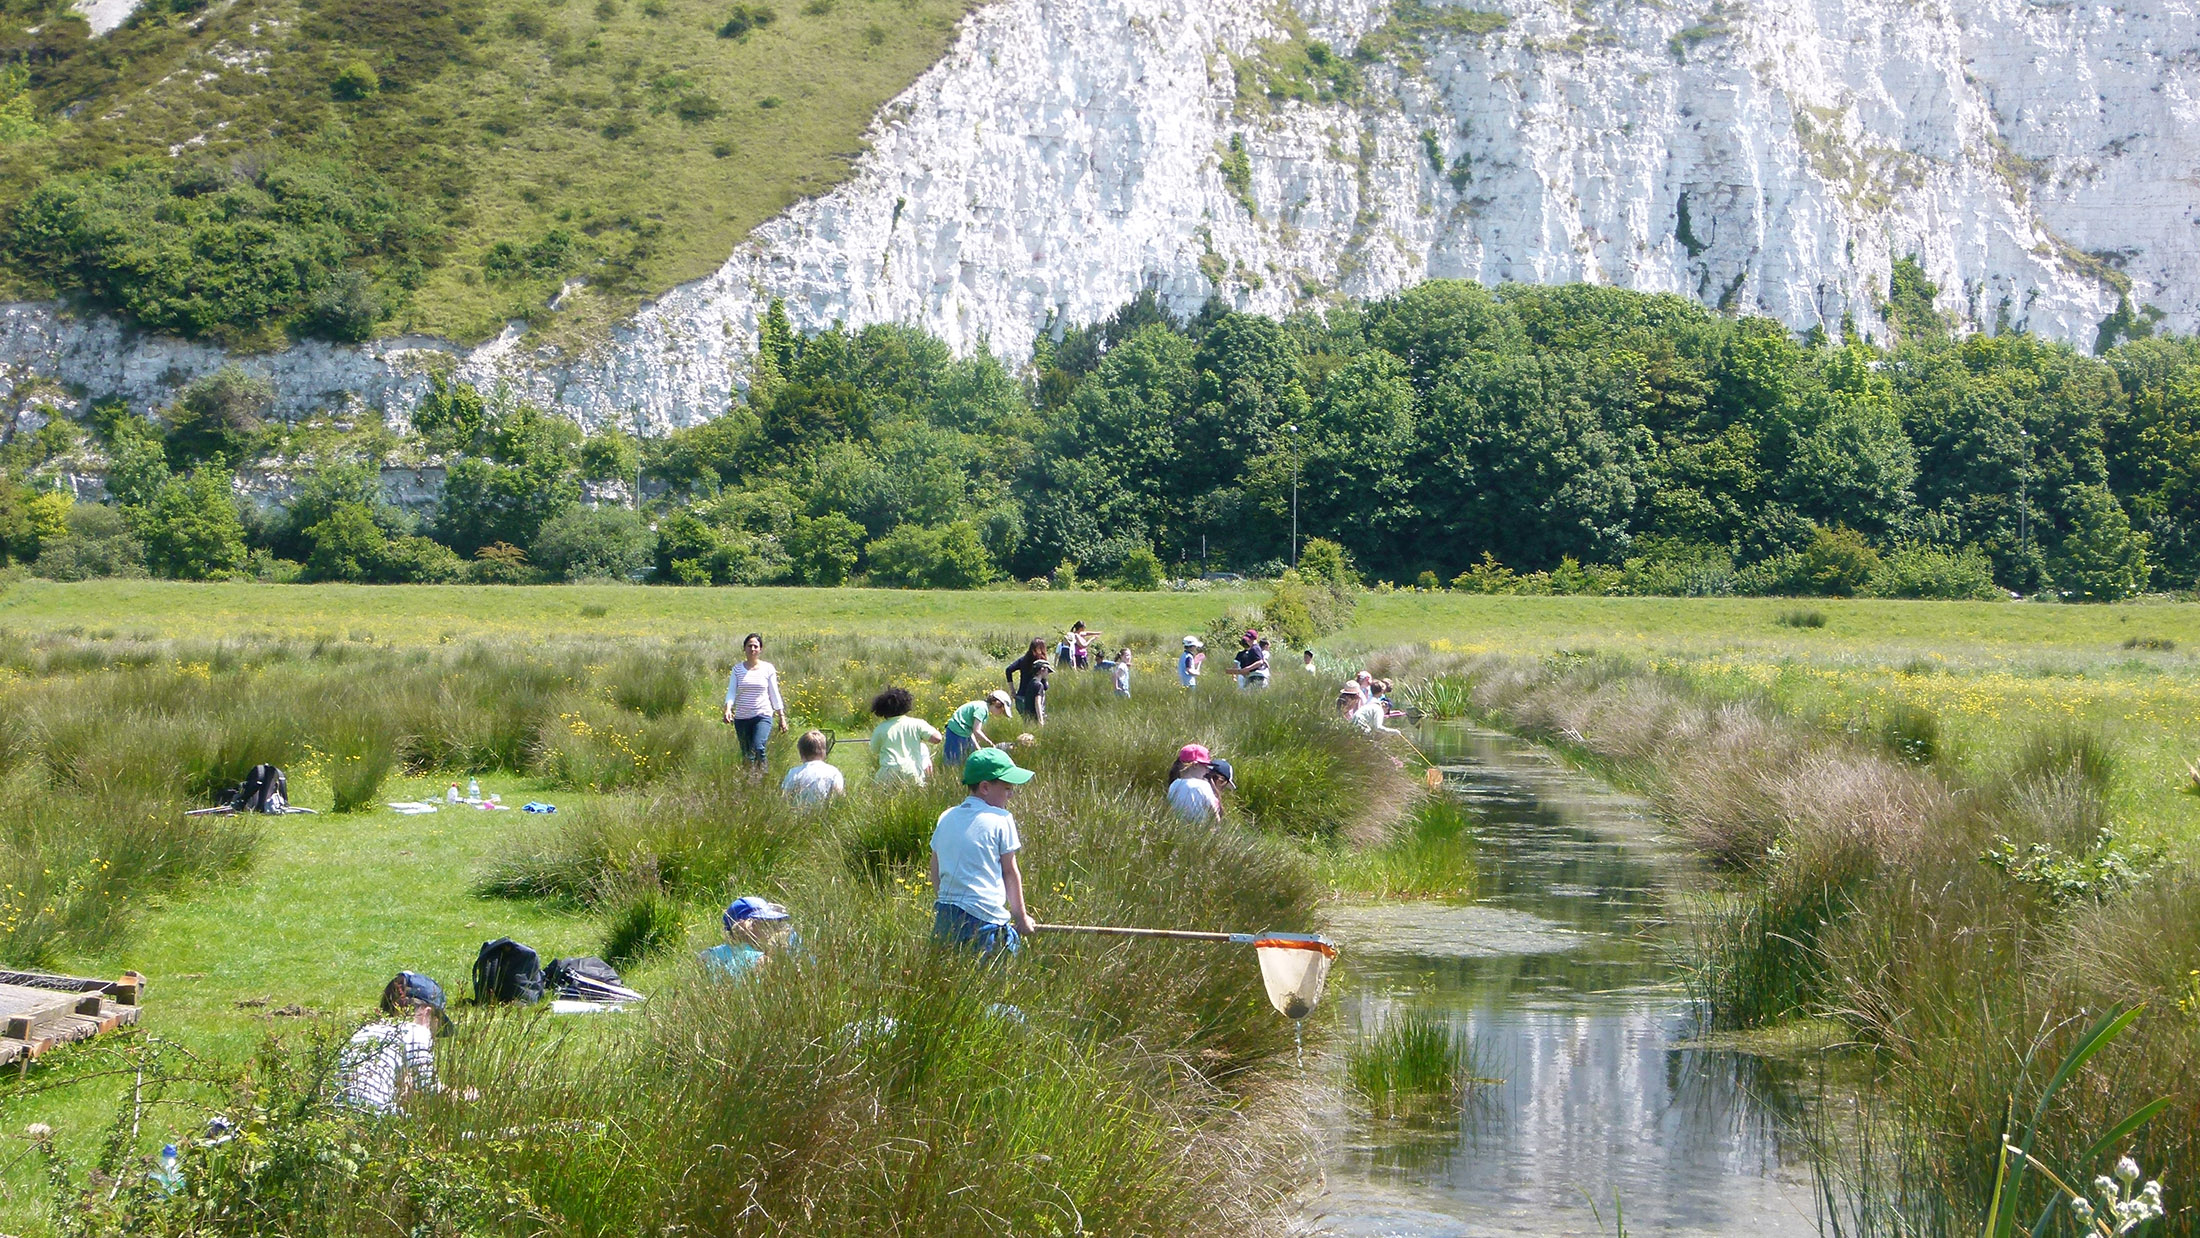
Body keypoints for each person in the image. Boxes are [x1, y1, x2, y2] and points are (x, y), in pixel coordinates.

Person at [930, 747, 1037, 954]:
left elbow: (935, 865)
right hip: (984, 922)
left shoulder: (946, 816)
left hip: (945, 915)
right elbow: (1009, 872)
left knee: (948, 976)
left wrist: (947, 902)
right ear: (985, 787)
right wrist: (1021, 918)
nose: (1011, 795)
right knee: (992, 978)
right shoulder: (1002, 819)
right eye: (1007, 788)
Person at [337, 972, 451, 1115]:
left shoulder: (364, 1031)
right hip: (373, 1119)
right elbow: (430, 1091)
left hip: (337, 1120)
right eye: (436, 1028)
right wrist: (466, 1095)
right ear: (427, 1014)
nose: (433, 1038)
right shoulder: (415, 1031)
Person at [722, 633, 787, 774]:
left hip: (762, 715)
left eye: (755, 646)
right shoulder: (737, 670)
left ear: (760, 649)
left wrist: (781, 716)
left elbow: (774, 693)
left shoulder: (768, 668)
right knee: (747, 754)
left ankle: (763, 776)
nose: (752, 649)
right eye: (749, 646)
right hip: (742, 717)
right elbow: (731, 692)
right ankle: (749, 782)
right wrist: (728, 709)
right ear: (744, 649)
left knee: (758, 746)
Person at [703, 896, 792, 979]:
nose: (771, 928)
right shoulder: (764, 961)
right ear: (747, 926)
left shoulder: (707, 955)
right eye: (765, 923)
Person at [870, 686, 943, 785]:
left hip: (888, 772)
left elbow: (874, 749)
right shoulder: (917, 724)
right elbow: (937, 738)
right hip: (912, 771)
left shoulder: (880, 729)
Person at [945, 691, 1013, 765]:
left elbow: (971, 730)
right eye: (1002, 711)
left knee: (971, 754)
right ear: (996, 703)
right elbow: (976, 731)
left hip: (962, 731)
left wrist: (977, 747)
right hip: (956, 732)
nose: (1001, 713)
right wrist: (989, 743)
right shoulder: (982, 709)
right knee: (953, 760)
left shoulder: (982, 706)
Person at [780, 730, 847, 804]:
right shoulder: (834, 772)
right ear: (824, 752)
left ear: (801, 752)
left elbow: (785, 797)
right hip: (824, 814)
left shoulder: (793, 773)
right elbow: (839, 796)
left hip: (796, 814)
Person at [1167, 743, 1223, 823]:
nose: (1207, 770)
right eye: (1206, 766)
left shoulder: (1173, 785)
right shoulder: (1203, 785)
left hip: (1179, 830)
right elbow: (1214, 814)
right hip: (1200, 831)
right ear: (1195, 765)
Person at [1004, 639, 1052, 724]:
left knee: (1027, 723)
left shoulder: (1023, 660)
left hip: (1021, 696)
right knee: (1036, 723)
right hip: (1033, 698)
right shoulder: (1040, 664)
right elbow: (1045, 686)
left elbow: (1008, 670)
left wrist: (1012, 690)